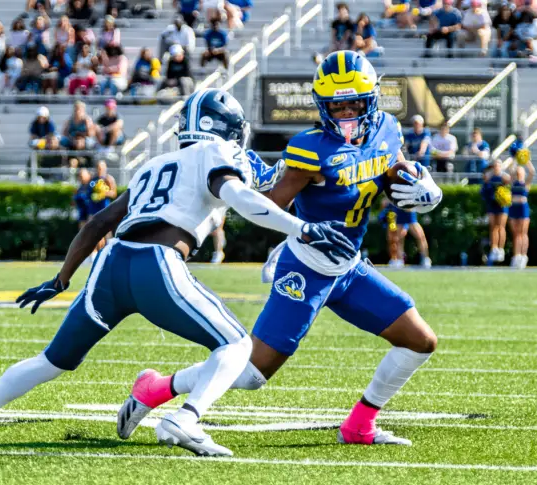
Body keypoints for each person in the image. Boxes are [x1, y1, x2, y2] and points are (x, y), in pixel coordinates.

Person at [0, 88, 355, 457]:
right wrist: (303, 228)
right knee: (237, 345)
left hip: (110, 265)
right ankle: (186, 419)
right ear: (227, 129)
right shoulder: (216, 152)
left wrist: (61, 279)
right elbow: (239, 196)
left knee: (51, 361)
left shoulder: (155, 165)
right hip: (157, 264)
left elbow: (98, 224)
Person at [116, 51, 444, 447]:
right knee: (252, 374)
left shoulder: (388, 129)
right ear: (323, 107)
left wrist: (421, 190)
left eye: (354, 103)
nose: (345, 113)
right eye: (336, 106)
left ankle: (359, 426)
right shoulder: (310, 148)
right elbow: (272, 205)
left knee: (419, 340)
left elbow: (392, 171)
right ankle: (158, 386)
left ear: (372, 99)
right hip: (305, 267)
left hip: (349, 267)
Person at [480, 156, 510, 263]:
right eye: (495, 165)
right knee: (493, 226)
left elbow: (509, 182)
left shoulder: (504, 177)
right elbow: (484, 182)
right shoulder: (490, 176)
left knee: (501, 226)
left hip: (502, 205)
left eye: (499, 165)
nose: (497, 167)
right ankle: (494, 248)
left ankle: (501, 249)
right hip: (492, 204)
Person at [508, 161, 535, 269]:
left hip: (523, 208)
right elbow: (511, 169)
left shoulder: (526, 183)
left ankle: (523, 255)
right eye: (517, 172)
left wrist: (527, 161)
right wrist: (515, 158)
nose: (519, 173)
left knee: (523, 233)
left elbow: (532, 172)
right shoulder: (512, 182)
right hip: (514, 207)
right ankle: (516, 256)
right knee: (516, 234)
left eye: (520, 172)